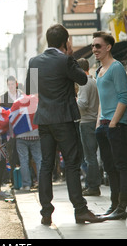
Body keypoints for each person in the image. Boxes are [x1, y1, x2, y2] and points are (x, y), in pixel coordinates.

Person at [26, 24, 104, 225]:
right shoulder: (66, 59)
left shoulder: (34, 61)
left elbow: (29, 88)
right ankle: (80, 210)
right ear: (65, 42)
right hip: (64, 120)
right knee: (71, 163)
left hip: (44, 120)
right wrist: (70, 56)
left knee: (45, 165)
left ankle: (45, 212)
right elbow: (83, 79)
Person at [92, 31, 127, 220]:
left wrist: (113, 123)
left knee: (121, 165)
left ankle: (124, 204)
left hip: (117, 125)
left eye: (98, 46)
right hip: (103, 126)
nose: (94, 49)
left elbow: (123, 97)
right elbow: (101, 101)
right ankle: (115, 203)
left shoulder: (116, 67)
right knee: (109, 167)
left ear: (108, 47)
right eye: (93, 46)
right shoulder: (98, 71)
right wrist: (98, 124)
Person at [76, 58, 101, 196]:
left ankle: (93, 186)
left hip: (86, 122)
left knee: (89, 157)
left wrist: (74, 103)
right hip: (94, 120)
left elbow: (83, 104)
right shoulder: (94, 81)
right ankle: (91, 185)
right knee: (92, 156)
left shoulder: (84, 83)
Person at [9, 93, 42, 191]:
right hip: (36, 134)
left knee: (24, 160)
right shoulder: (36, 101)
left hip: (21, 136)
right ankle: (42, 183)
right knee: (39, 159)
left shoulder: (17, 103)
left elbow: (11, 118)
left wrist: (13, 134)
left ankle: (26, 185)